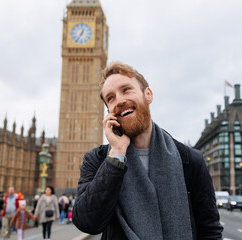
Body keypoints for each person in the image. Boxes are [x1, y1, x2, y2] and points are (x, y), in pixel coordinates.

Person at [73, 62, 223, 240]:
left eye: (126, 89)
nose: (119, 100)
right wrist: (116, 154)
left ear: (148, 95)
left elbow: (210, 230)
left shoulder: (190, 160)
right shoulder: (98, 160)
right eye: (110, 98)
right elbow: (87, 222)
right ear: (109, 112)